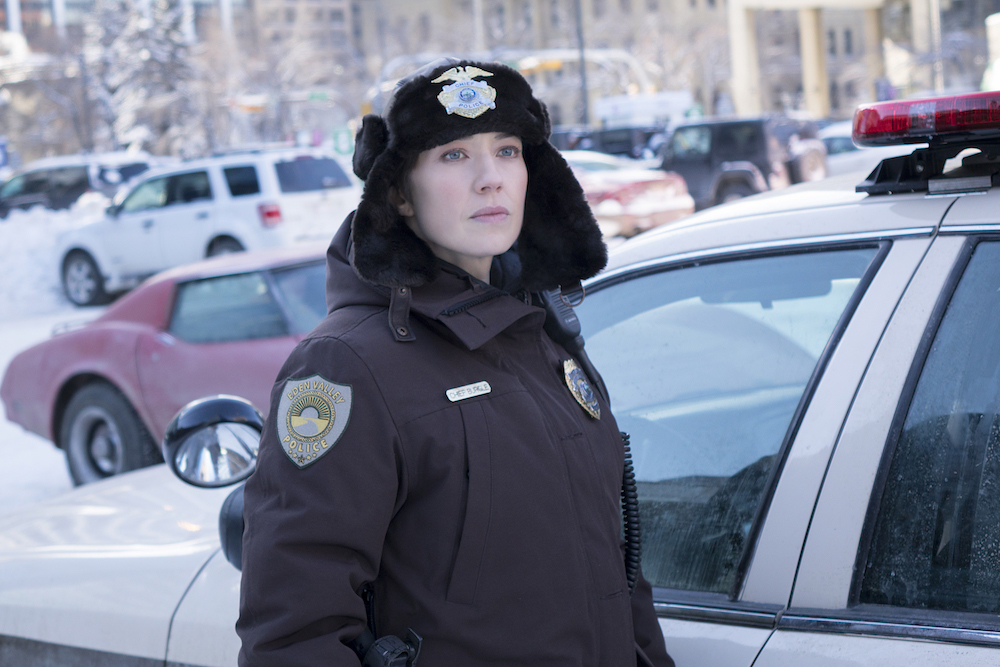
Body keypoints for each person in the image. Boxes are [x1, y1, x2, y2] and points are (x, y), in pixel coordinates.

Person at [237, 58, 674, 667]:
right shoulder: (345, 367)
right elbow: (293, 632)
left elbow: (619, 574)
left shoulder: (541, 334)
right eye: (453, 155)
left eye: (507, 151)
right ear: (399, 193)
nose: (490, 179)